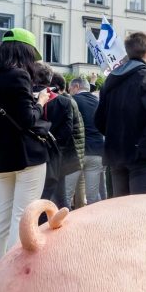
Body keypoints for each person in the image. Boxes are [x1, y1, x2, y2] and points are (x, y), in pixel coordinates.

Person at [0, 28, 51, 257]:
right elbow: (28, 119)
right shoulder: (18, 75)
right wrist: (41, 101)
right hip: (27, 155)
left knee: (3, 216)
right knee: (23, 216)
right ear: (24, 52)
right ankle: (13, 274)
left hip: (1, 157)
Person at [95, 32, 146, 197]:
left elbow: (99, 119)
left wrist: (116, 135)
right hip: (143, 154)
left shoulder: (111, 79)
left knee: (121, 212)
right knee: (142, 211)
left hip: (116, 154)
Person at [40, 71, 84, 209]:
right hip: (66, 154)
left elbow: (68, 130)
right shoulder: (68, 101)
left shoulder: (64, 102)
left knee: (59, 196)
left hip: (61, 154)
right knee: (62, 195)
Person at [68, 77, 105, 205]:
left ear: (76, 86)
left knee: (66, 195)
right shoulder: (99, 101)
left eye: (70, 88)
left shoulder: (71, 101)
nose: (69, 91)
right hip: (97, 152)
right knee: (93, 197)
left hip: (76, 154)